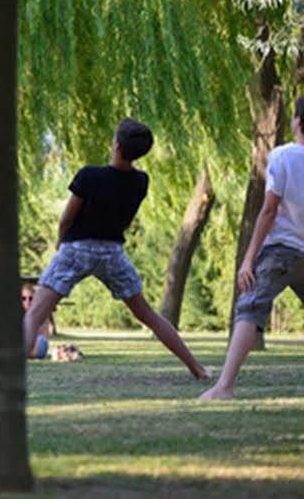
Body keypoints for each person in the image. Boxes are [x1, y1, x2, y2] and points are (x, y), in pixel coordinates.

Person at [23, 118, 209, 380]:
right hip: (112, 253)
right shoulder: (140, 181)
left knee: (35, 314)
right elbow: (126, 220)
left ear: (117, 145)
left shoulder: (88, 175)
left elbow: (66, 220)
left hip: (76, 248)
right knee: (149, 316)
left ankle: (9, 375)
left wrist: (60, 245)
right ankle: (198, 369)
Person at [201, 97, 304, 400]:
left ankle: (224, 387)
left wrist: (248, 259)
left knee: (249, 309)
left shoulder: (283, 156)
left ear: (297, 121)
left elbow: (269, 210)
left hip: (280, 251)